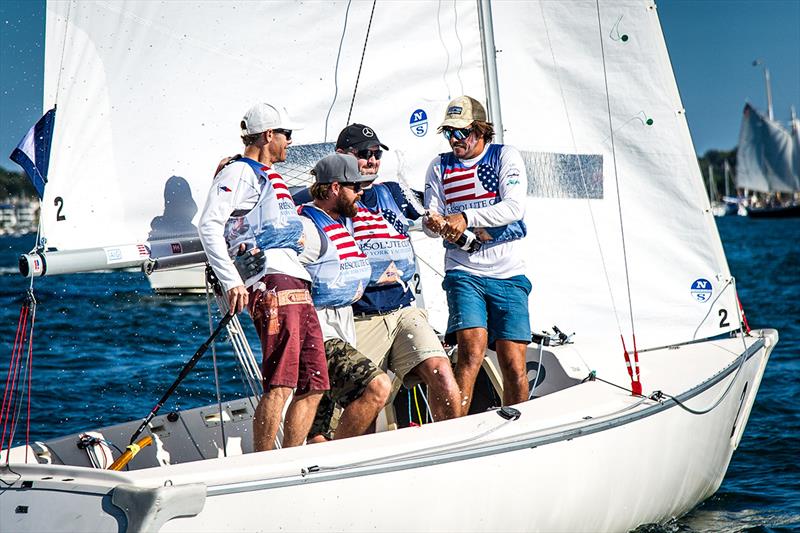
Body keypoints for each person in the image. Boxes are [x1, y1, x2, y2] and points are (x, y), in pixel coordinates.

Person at [198, 102, 329, 452]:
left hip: (295, 280)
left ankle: (292, 455)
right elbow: (209, 224)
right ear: (269, 135)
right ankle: (264, 459)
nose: (290, 142)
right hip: (271, 282)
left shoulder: (268, 175)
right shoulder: (239, 173)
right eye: (287, 135)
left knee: (314, 381)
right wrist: (232, 280)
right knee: (282, 383)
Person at [335, 123, 461, 422]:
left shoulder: (392, 191)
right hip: (359, 317)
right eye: (364, 153)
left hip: (404, 310)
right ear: (341, 156)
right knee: (362, 403)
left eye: (377, 153)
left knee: (441, 372)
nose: (373, 160)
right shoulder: (330, 197)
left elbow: (436, 207)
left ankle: (454, 447)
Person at [423, 96, 531, 416]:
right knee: (471, 352)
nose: (455, 140)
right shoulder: (439, 165)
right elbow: (432, 222)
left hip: (508, 272)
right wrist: (435, 224)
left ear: (481, 130)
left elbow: (514, 208)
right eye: (449, 133)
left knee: (513, 363)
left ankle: (519, 431)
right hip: (463, 269)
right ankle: (453, 431)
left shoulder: (504, 156)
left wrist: (466, 218)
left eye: (462, 132)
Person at [298, 153, 392, 442]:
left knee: (319, 430)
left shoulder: (337, 223)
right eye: (356, 187)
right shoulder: (307, 227)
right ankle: (342, 458)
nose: (362, 192)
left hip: (342, 329)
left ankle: (322, 470)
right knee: (377, 387)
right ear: (335, 188)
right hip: (320, 335)